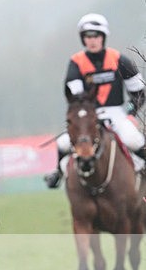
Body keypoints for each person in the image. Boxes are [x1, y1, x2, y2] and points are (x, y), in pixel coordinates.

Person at [45, 13, 146, 188]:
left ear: (103, 37)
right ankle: (58, 173)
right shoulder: (76, 62)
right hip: (88, 115)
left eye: (96, 36)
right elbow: (75, 97)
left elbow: (139, 92)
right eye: (87, 36)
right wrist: (86, 115)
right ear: (83, 38)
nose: (92, 40)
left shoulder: (120, 59)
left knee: (133, 140)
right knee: (62, 143)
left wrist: (130, 112)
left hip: (117, 113)